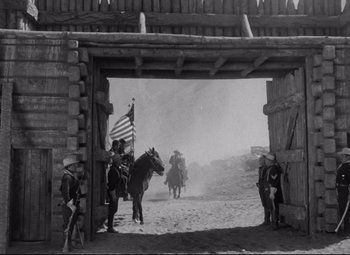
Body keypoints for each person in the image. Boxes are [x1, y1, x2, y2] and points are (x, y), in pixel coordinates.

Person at [60, 155, 81, 253]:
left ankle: (68, 245)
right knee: (67, 226)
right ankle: (66, 247)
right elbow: (65, 193)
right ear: (69, 166)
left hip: (73, 204)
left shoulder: (71, 176)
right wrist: (71, 205)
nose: (76, 166)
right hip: (69, 205)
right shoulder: (67, 177)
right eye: (74, 165)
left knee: (70, 226)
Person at [264, 152, 283, 230]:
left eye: (266, 160)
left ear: (269, 160)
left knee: (274, 207)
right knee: (272, 206)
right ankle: (274, 222)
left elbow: (274, 182)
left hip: (274, 190)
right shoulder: (270, 168)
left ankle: (275, 223)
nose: (265, 161)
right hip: (270, 189)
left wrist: (272, 192)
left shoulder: (273, 169)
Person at [335, 147, 350, 235]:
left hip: (346, 191)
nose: (342, 157)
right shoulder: (342, 166)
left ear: (347, 156)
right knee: (342, 209)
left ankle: (346, 230)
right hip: (341, 190)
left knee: (345, 211)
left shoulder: (349, 167)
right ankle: (342, 229)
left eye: (343, 156)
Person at [107, 154, 122, 233]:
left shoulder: (116, 169)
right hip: (113, 191)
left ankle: (110, 226)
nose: (120, 161)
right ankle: (110, 227)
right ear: (116, 161)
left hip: (116, 191)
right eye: (119, 160)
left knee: (114, 209)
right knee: (112, 209)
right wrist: (113, 194)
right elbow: (112, 183)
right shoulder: (113, 170)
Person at [256, 154, 271, 225]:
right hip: (261, 187)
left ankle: (267, 219)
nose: (259, 161)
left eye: (260, 160)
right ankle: (266, 219)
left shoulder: (266, 169)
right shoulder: (261, 169)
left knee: (267, 203)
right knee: (264, 203)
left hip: (265, 187)